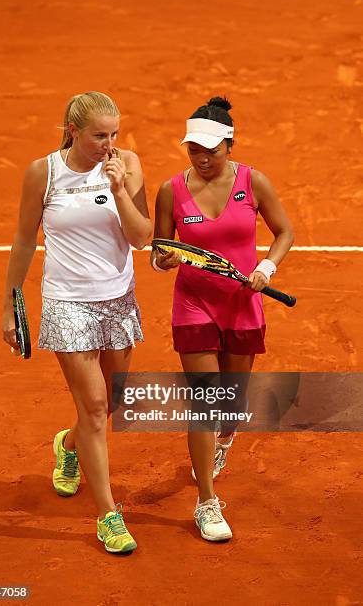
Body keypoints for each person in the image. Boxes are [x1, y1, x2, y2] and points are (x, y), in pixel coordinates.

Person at [2, 91, 152, 553]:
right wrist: (11, 304)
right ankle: (108, 514)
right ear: (72, 130)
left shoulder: (126, 162)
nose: (108, 144)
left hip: (118, 299)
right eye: (98, 136)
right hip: (68, 304)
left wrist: (122, 190)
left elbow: (143, 238)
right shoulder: (43, 173)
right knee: (93, 405)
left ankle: (69, 447)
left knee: (112, 402)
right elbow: (25, 240)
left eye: (113, 135)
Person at [151, 96, 294, 541]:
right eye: (195, 149)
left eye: (211, 149)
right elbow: (160, 250)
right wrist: (163, 263)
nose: (203, 157)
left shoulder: (254, 183)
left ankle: (225, 438)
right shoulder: (170, 191)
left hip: (242, 302)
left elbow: (284, 232)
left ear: (230, 145)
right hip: (193, 304)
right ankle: (207, 503)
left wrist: (265, 269)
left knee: (230, 405)